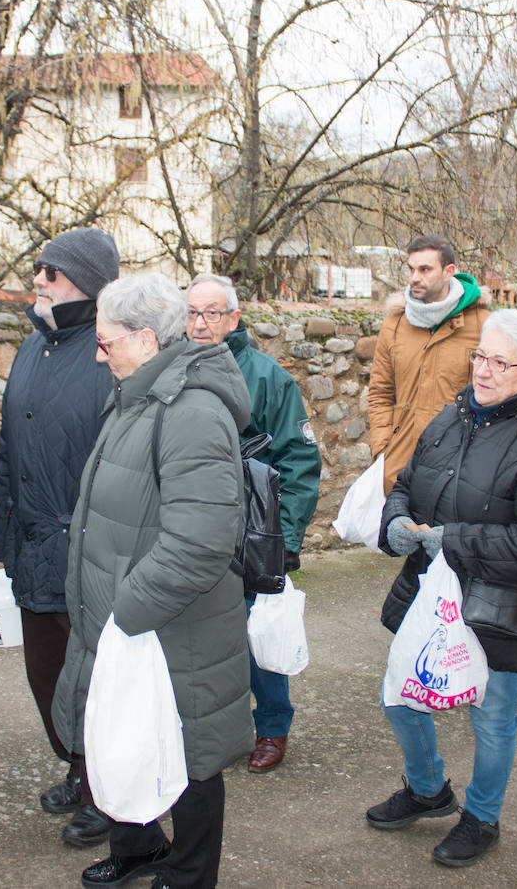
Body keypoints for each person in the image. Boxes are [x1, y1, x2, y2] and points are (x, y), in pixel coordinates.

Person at [52, 273, 252, 889]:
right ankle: (137, 846)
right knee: (123, 736)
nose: (97, 351)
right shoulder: (136, 397)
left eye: (106, 340)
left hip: (172, 626)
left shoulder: (190, 411)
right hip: (126, 621)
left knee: (189, 753)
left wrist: (126, 611)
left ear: (144, 339)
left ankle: (191, 872)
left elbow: (201, 541)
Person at [369, 309, 517, 868]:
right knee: (400, 695)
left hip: (500, 603)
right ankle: (427, 790)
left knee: (491, 717)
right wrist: (395, 521)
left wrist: (452, 540)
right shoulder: (453, 414)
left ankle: (482, 818)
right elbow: (410, 483)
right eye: (480, 357)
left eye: (499, 362)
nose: (483, 371)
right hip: (429, 590)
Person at [0, 227, 117, 847]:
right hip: (33, 547)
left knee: (93, 680)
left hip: (88, 554)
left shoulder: (107, 354)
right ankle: (76, 766)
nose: (38, 279)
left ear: (87, 286)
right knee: (46, 674)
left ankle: (107, 791)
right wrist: (1, 546)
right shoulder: (29, 350)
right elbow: (8, 457)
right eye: (40, 269)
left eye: (52, 272)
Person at [184, 273, 320, 774]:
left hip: (250, 533)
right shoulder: (171, 369)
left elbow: (300, 463)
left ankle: (273, 727)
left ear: (234, 318)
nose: (200, 324)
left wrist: (282, 542)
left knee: (258, 635)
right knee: (200, 638)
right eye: (192, 313)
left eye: (211, 313)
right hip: (191, 529)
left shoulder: (267, 378)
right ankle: (213, 724)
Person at [369, 234, 488, 491]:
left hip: (457, 469)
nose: (414, 278)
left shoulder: (482, 324)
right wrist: (382, 448)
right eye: (411, 269)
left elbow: (494, 398)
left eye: (425, 269)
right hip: (399, 465)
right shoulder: (396, 324)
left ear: (449, 272)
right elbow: (380, 392)